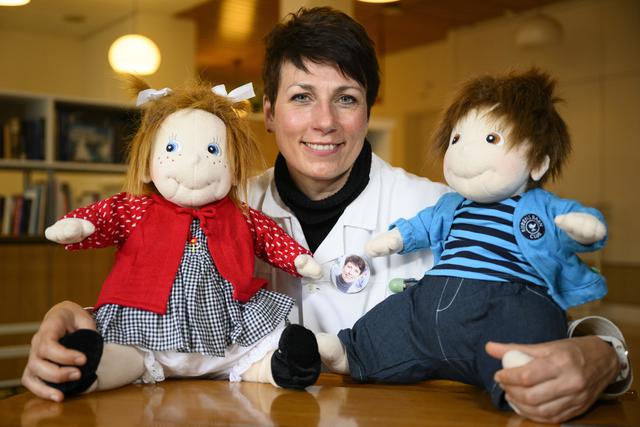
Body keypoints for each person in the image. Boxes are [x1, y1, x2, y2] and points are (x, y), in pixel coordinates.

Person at [22, 6, 631, 423]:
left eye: (346, 98)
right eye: (301, 98)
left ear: (367, 111)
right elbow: (152, 319)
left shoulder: (436, 207)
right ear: (267, 114)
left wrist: (602, 355)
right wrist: (75, 323)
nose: (324, 123)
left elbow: (539, 309)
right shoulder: (222, 209)